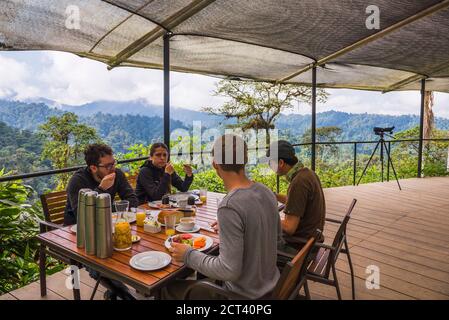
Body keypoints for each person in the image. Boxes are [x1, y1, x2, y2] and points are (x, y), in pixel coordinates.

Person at [163, 134, 282, 299]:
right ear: (245, 160)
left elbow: (228, 270)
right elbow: (276, 238)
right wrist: (240, 231)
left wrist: (187, 254)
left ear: (215, 164)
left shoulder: (230, 205)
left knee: (167, 288)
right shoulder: (266, 192)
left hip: (241, 296)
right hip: (272, 286)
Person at [64, 143, 138, 300]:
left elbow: (131, 198)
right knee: (98, 261)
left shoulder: (116, 174)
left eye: (113, 163)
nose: (112, 168)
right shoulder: (77, 181)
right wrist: (102, 189)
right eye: (108, 165)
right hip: (78, 235)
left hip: (107, 228)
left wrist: (118, 215)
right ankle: (126, 296)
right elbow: (82, 216)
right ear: (93, 168)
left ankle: (115, 290)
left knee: (133, 247)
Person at [264, 140, 326, 251]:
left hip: (300, 248)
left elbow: (289, 227)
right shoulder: (307, 174)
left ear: (281, 163)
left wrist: (264, 217)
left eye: (270, 163)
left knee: (256, 241)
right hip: (311, 241)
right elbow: (296, 201)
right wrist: (273, 195)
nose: (269, 166)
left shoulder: (298, 183)